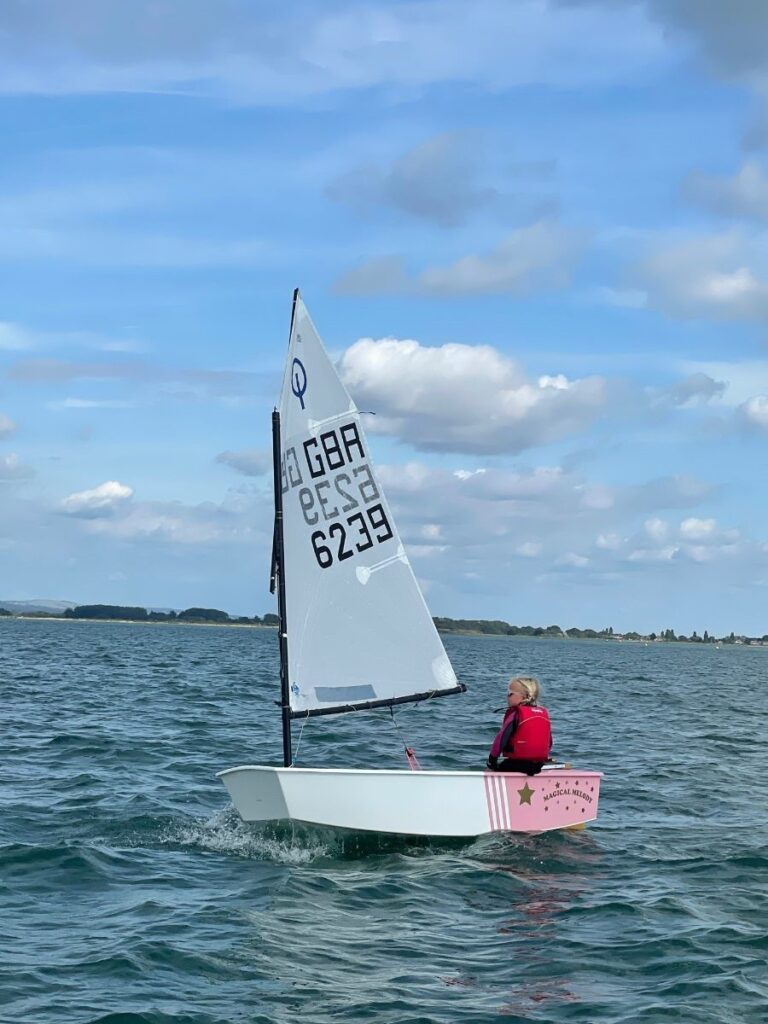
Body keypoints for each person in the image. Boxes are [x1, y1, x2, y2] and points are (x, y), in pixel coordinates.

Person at [486, 675, 552, 775]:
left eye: (510, 694)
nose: (507, 697)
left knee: (493, 769)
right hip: (537, 765)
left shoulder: (516, 714)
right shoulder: (543, 714)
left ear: (524, 696)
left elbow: (500, 740)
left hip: (516, 764)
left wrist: (492, 761)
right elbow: (549, 742)